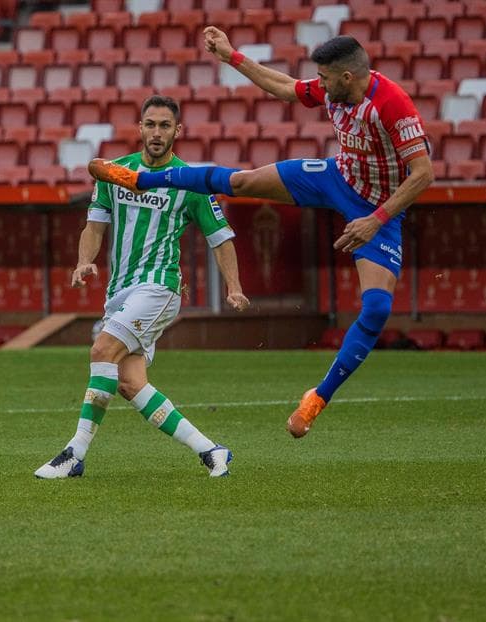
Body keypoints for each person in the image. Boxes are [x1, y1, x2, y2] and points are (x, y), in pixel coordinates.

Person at [89, 32, 434, 439]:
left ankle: (317, 398)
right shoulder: (333, 90)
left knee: (376, 309)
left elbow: (423, 174)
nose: (319, 85)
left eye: (324, 79)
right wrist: (231, 56)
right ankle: (141, 179)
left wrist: (374, 220)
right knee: (242, 181)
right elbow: (286, 88)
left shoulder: (392, 104)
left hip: (379, 208)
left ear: (346, 77)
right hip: (336, 177)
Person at [35, 95, 250, 480]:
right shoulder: (116, 174)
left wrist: (233, 286)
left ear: (177, 131)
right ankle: (211, 450)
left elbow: (220, 237)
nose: (156, 132)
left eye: (164, 125)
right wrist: (84, 260)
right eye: (150, 124)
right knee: (130, 384)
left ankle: (74, 453)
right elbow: (94, 226)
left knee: (102, 349)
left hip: (159, 286)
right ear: (139, 128)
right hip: (120, 291)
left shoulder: (190, 182)